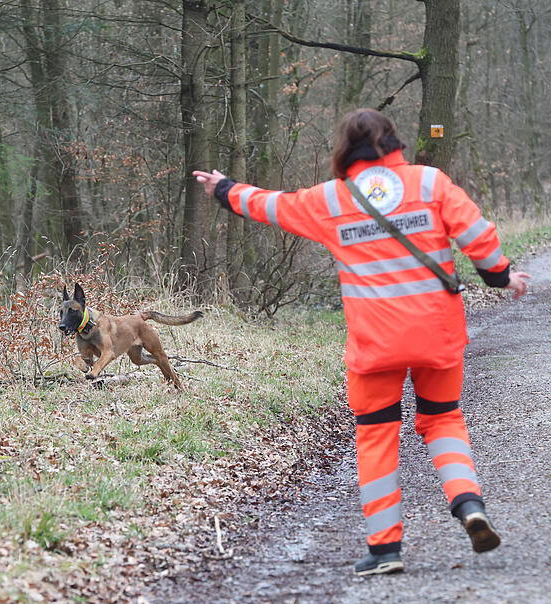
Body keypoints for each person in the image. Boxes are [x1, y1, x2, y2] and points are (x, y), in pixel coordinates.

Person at [193, 108, 530, 576]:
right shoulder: (430, 183)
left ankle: (385, 550)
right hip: (437, 334)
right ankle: (469, 505)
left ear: (343, 150)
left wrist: (225, 188)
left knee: (376, 436)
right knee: (443, 420)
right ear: (392, 141)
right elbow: (477, 235)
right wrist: (499, 276)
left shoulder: (331, 199)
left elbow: (271, 205)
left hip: (375, 344)